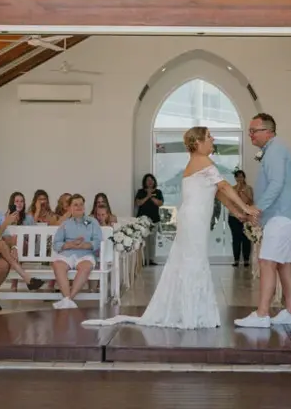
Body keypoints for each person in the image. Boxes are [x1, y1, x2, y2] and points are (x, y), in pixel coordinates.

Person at [83, 126, 259, 329]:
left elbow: (218, 193)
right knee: (194, 260)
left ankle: (192, 310)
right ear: (198, 143)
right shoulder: (203, 160)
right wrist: (246, 206)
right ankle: (191, 312)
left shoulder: (199, 163)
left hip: (195, 218)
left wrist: (238, 213)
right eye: (209, 136)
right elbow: (225, 187)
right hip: (194, 218)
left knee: (193, 260)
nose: (213, 139)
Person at [235, 113, 291, 328]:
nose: (251, 135)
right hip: (283, 215)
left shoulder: (275, 148)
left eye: (254, 130)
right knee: (283, 265)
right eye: (250, 131)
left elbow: (276, 183)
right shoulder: (273, 149)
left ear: (269, 131)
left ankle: (262, 314)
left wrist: (257, 209)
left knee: (267, 262)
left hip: (281, 215)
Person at [50, 194, 104, 309]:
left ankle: (68, 299)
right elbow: (56, 244)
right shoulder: (65, 224)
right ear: (70, 208)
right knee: (57, 264)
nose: (79, 207)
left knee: (85, 267)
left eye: (81, 204)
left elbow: (98, 241)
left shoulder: (92, 222)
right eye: (75, 205)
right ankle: (68, 301)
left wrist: (86, 245)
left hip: (86, 254)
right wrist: (70, 244)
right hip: (68, 253)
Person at [135, 174, 163, 265]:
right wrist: (147, 195)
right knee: (142, 241)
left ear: (154, 181)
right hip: (142, 221)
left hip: (154, 220)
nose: (150, 182)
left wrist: (151, 196)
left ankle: (151, 259)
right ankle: (142, 260)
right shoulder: (140, 192)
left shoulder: (158, 192)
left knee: (152, 242)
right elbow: (138, 203)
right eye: (148, 180)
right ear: (145, 182)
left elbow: (160, 203)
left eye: (151, 180)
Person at [229, 169, 254, 267]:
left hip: (246, 217)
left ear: (244, 178)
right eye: (237, 177)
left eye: (241, 176)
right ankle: (236, 260)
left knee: (246, 238)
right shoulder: (232, 189)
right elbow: (230, 202)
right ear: (235, 178)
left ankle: (246, 260)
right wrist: (237, 191)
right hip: (234, 216)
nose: (240, 179)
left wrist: (243, 193)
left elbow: (251, 202)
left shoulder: (249, 188)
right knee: (236, 238)